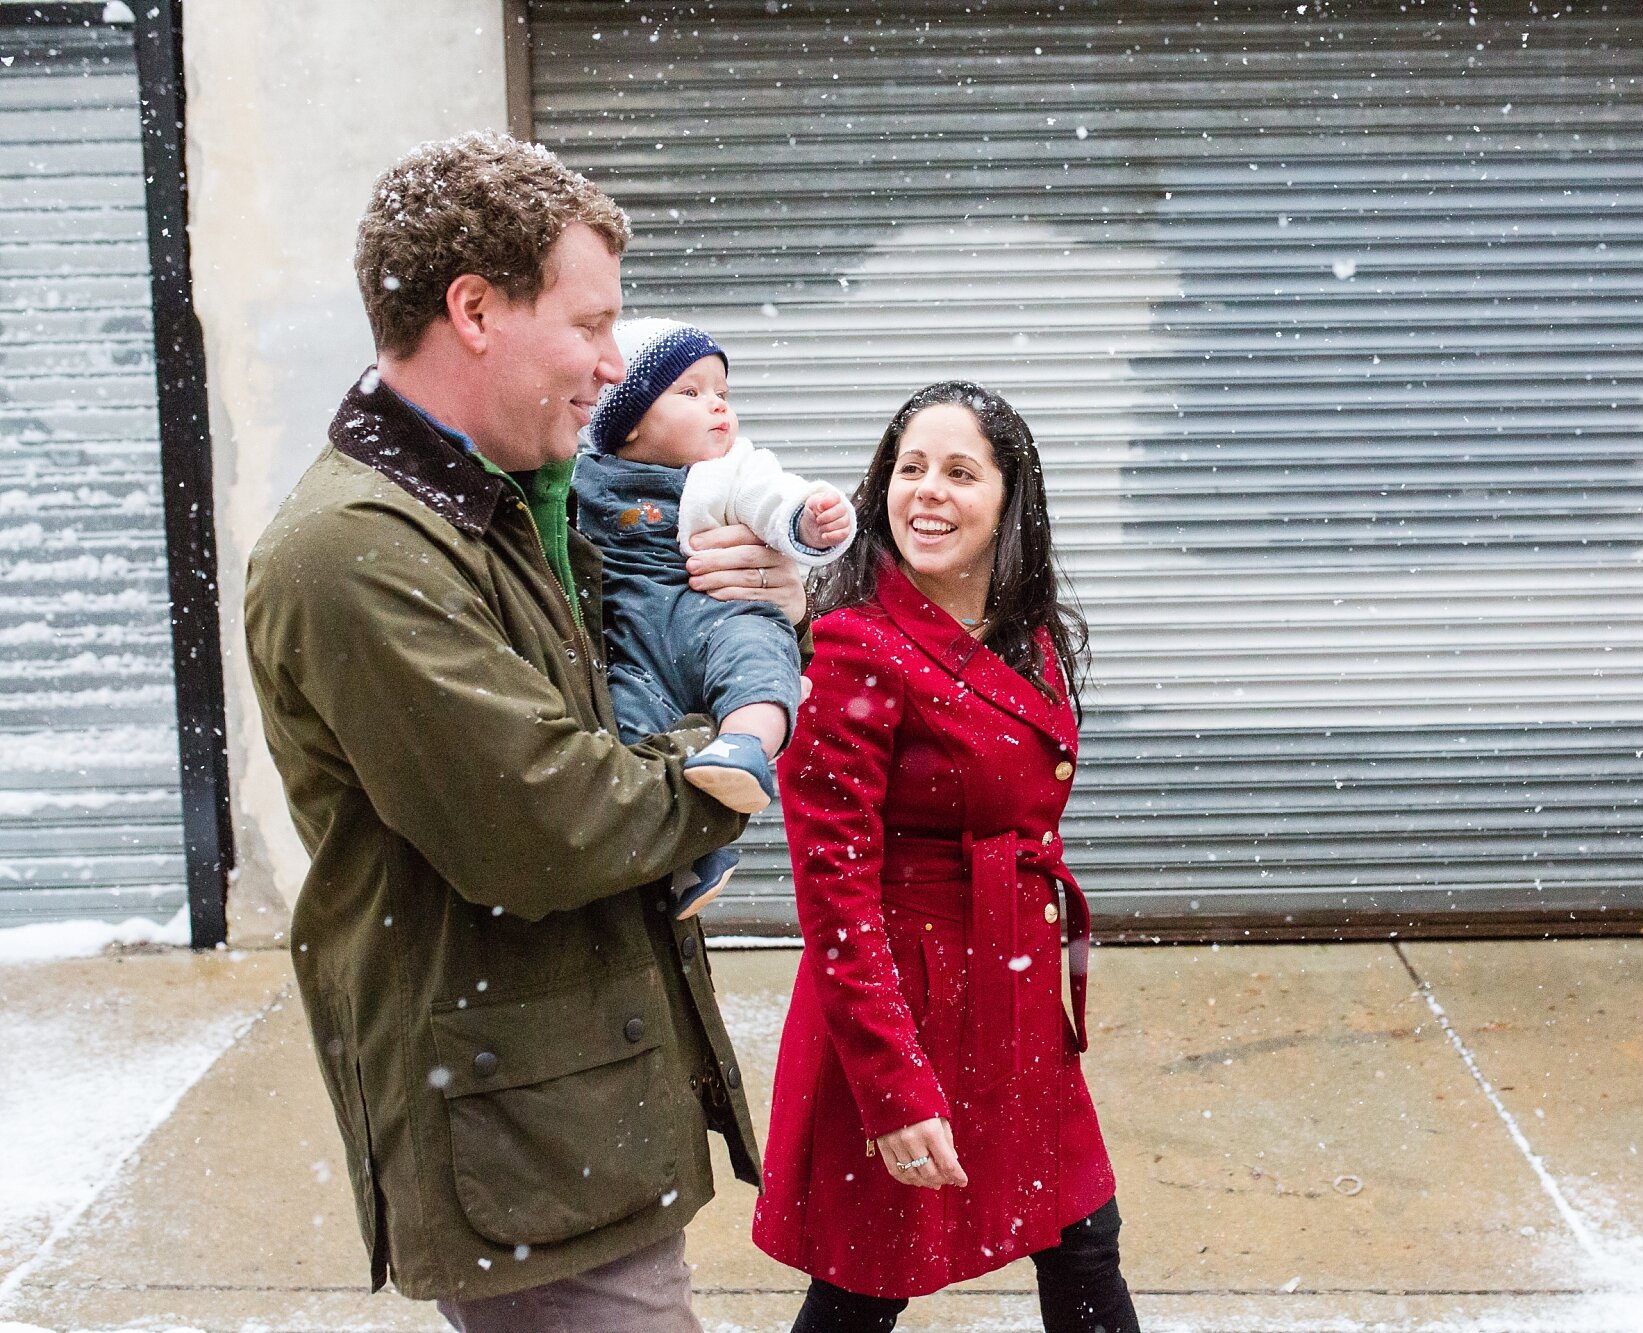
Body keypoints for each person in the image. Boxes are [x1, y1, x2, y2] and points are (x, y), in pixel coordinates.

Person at [243, 131, 807, 1332]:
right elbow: (548, 820)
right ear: (475, 308)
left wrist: (761, 614)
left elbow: (627, 691)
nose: (616, 367)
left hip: (566, 1103)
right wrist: (735, 746)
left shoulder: (509, 501)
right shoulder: (358, 554)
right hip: (521, 1136)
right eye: (591, 324)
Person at [752, 382, 1142, 1332]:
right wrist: (892, 1087)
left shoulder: (1028, 636)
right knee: (861, 1286)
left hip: (1013, 997)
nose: (926, 492)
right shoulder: (852, 649)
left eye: (960, 472)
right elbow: (833, 893)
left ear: (1011, 499)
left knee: (1084, 1239)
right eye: (909, 468)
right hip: (906, 1009)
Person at [574, 320, 855, 915]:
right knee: (631, 729)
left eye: (722, 394)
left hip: (715, 613)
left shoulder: (730, 470)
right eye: (691, 393)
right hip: (632, 641)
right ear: (628, 421)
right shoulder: (583, 478)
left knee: (758, 659)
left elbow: (773, 499)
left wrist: (807, 520)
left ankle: (745, 746)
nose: (718, 409)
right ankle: (699, 850)